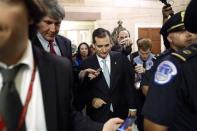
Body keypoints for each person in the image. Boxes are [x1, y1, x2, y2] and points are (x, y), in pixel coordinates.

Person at [0, 0, 131, 131]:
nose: (53, 29)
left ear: (30, 15)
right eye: (48, 22)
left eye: (8, 2)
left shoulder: (60, 67)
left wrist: (102, 128)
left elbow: (68, 116)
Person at [142, 1, 197, 130]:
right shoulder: (167, 63)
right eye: (181, 31)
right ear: (170, 38)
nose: (188, 34)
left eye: (189, 29)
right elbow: (146, 87)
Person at [78, 28, 137, 123]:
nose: (104, 50)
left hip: (121, 114)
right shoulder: (85, 65)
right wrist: (91, 100)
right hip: (98, 117)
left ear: (111, 43)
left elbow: (128, 85)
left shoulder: (121, 58)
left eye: (107, 45)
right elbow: (81, 91)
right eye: (99, 46)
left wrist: (132, 109)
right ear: (93, 45)